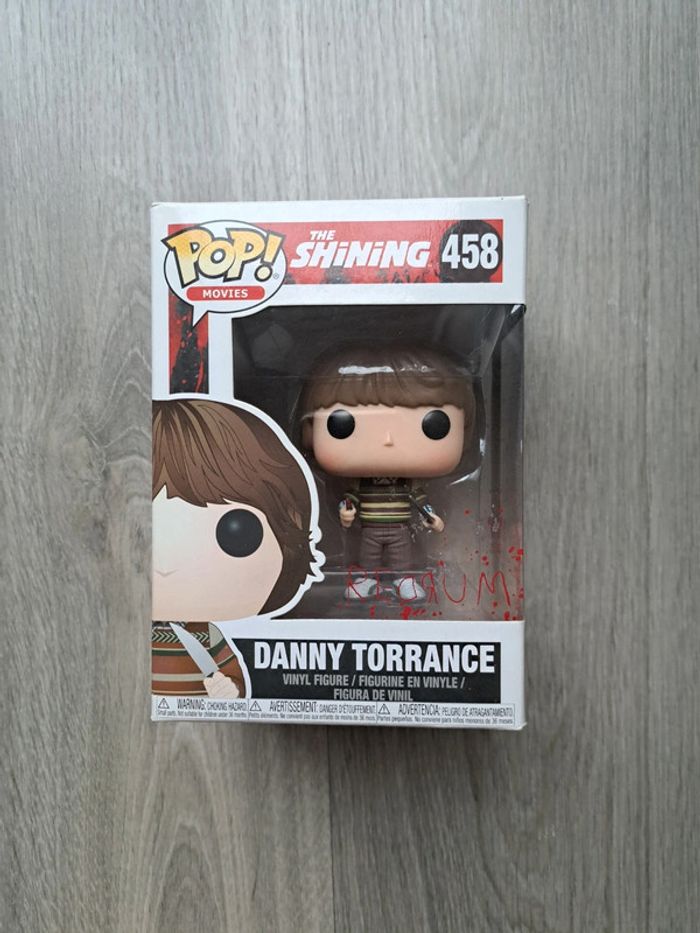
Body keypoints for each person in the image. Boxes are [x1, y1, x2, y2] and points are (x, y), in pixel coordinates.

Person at [152, 398, 322, 697]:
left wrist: (230, 689)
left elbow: (235, 679)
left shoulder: (207, 635)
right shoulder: (126, 628)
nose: (166, 566)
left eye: (237, 532)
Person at [301, 345, 475, 600]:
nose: (388, 439)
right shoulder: (361, 484)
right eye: (342, 424)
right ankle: (367, 578)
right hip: (370, 528)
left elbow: (419, 499)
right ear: (309, 429)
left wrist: (431, 517)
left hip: (400, 528)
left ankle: (403, 578)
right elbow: (350, 499)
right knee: (368, 555)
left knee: (401, 554)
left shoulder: (406, 484)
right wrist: (346, 512)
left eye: (434, 424)